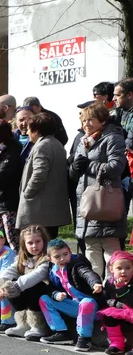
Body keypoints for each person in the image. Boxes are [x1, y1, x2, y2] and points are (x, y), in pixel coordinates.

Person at [70, 102, 127, 277]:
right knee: (91, 249)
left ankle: (115, 285)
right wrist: (74, 168)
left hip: (105, 201)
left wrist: (89, 165)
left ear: (102, 121)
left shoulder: (113, 138)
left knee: (110, 248)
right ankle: (95, 287)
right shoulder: (82, 140)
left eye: (90, 120)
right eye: (83, 120)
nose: (86, 124)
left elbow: (116, 167)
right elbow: (75, 174)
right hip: (86, 203)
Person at [39, 239, 103, 351]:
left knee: (86, 302)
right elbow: (50, 288)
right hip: (75, 306)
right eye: (57, 256)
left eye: (65, 254)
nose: (62, 259)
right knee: (44, 299)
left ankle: (84, 338)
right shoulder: (53, 270)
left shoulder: (76, 263)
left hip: (92, 307)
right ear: (50, 259)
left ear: (70, 252)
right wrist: (56, 294)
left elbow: (87, 273)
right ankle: (62, 333)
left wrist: (95, 283)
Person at [17, 112, 70, 240]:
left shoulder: (42, 146)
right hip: (51, 209)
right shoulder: (57, 144)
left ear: (36, 130)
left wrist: (27, 192)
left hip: (39, 209)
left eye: (29, 129)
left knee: (38, 245)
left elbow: (39, 173)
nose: (27, 132)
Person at [0, 225, 53, 340]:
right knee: (10, 282)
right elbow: (9, 271)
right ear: (24, 244)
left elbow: (35, 276)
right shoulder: (23, 259)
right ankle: (23, 324)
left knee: (32, 285)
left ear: (44, 241)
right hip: (28, 291)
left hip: (48, 293)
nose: (34, 246)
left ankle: (39, 325)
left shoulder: (48, 258)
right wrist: (0, 286)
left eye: (38, 241)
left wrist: (12, 287)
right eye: (30, 243)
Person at [98, 250, 133, 355]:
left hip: (131, 310)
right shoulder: (109, 283)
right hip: (121, 310)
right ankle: (117, 344)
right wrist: (116, 304)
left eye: (128, 268)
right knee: (109, 314)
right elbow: (105, 299)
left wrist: (122, 289)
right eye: (119, 268)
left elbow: (131, 302)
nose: (123, 271)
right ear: (111, 269)